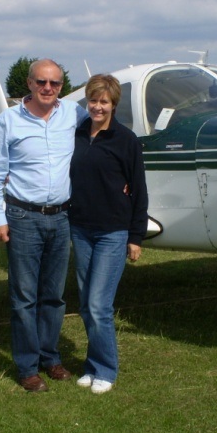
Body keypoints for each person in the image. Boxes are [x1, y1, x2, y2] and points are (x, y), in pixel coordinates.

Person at [0, 58, 88, 392]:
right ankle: (27, 367)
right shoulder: (8, 120)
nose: (47, 88)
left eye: (54, 83)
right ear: (29, 83)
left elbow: (104, 133)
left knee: (54, 296)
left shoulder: (74, 114)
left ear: (61, 86)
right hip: (23, 216)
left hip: (62, 216)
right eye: (41, 82)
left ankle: (50, 357)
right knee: (24, 297)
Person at [68, 74, 148, 395]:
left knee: (99, 304)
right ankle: (92, 366)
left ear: (114, 104)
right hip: (80, 228)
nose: (97, 107)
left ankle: (106, 370)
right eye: (93, 100)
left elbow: (139, 190)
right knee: (86, 304)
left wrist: (136, 237)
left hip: (113, 232)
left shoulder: (126, 140)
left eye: (104, 102)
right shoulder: (76, 134)